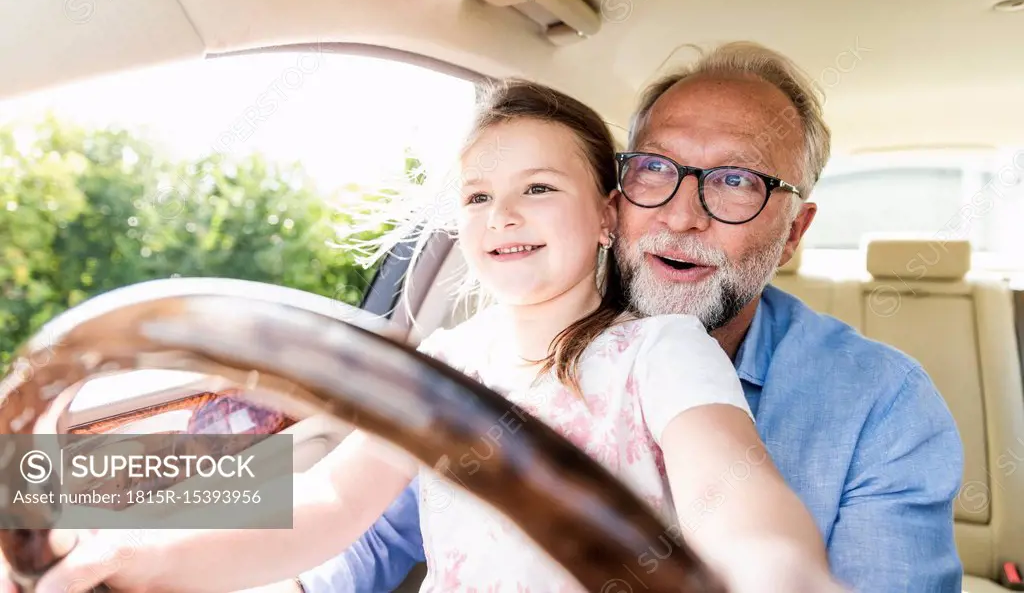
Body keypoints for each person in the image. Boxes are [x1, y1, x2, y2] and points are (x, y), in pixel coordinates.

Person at [10, 78, 843, 593]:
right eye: (478, 197)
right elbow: (331, 504)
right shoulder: (443, 366)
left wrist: (779, 571)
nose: (503, 214)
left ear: (606, 216)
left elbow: (730, 494)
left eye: (539, 187)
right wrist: (132, 561)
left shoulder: (662, 353)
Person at [293, 42, 965, 593]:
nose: (681, 215)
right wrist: (201, 482)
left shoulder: (884, 403)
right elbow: (355, 520)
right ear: (613, 204)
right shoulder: (503, 352)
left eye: (736, 180)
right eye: (655, 169)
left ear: (794, 232)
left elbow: (764, 542)